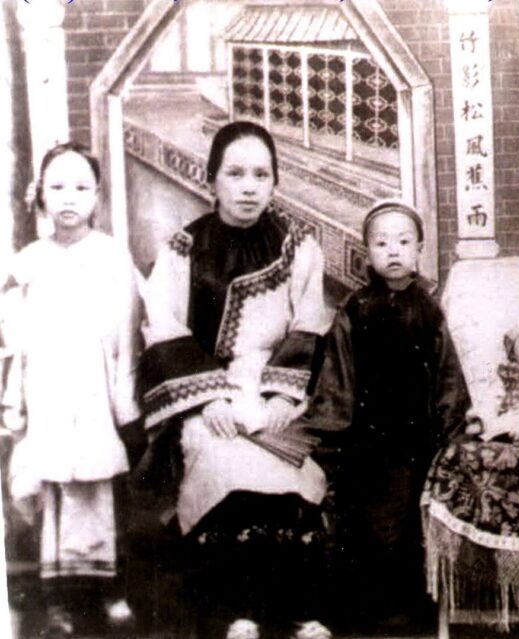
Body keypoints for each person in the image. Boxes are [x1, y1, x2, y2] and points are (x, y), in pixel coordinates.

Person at [137, 121, 334, 639]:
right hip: (208, 395)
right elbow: (163, 327)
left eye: (260, 174)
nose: (248, 186)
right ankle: (237, 610)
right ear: (212, 179)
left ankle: (296, 608)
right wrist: (206, 402)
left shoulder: (298, 246)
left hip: (275, 393)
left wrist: (280, 394)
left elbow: (310, 323)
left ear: (275, 184)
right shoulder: (185, 248)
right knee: (224, 461)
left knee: (293, 475)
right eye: (235, 173)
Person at [302, 201, 470, 632]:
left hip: (423, 436)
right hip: (372, 440)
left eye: (403, 242)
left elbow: (448, 372)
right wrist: (329, 436)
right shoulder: (355, 309)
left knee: (421, 522)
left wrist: (453, 430)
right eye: (381, 243)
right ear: (367, 252)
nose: (392, 251)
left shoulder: (430, 308)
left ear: (419, 249)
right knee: (380, 524)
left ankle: (419, 613)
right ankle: (381, 615)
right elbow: (337, 374)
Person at [2, 142, 138, 637]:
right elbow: (16, 337)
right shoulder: (29, 261)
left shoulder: (110, 255)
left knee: (98, 491)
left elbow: (126, 330)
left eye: (81, 187)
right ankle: (58, 600)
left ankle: (111, 590)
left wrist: (126, 402)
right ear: (39, 194)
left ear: (97, 196)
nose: (69, 198)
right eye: (57, 186)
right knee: (53, 492)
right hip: (49, 391)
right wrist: (17, 406)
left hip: (95, 388)